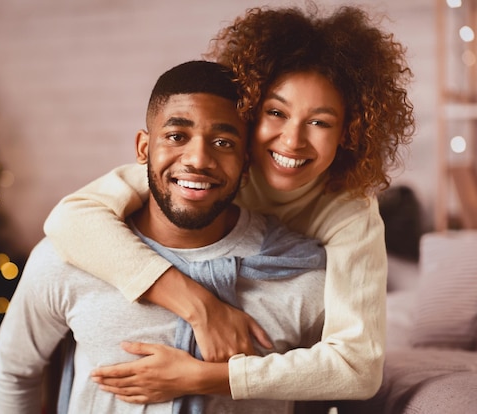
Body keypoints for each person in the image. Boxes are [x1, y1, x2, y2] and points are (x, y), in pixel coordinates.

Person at [43, 3, 415, 404]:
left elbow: (358, 369)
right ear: (250, 110)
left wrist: (204, 377)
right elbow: (69, 219)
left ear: (349, 132)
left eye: (320, 122)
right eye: (276, 112)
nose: (292, 140)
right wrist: (200, 306)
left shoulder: (350, 212)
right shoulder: (209, 170)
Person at [0, 60, 327, 414]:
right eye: (177, 136)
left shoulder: (302, 276)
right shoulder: (67, 259)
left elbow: (319, 396)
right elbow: (14, 370)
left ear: (245, 166)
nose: (198, 159)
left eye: (223, 142)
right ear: (143, 148)